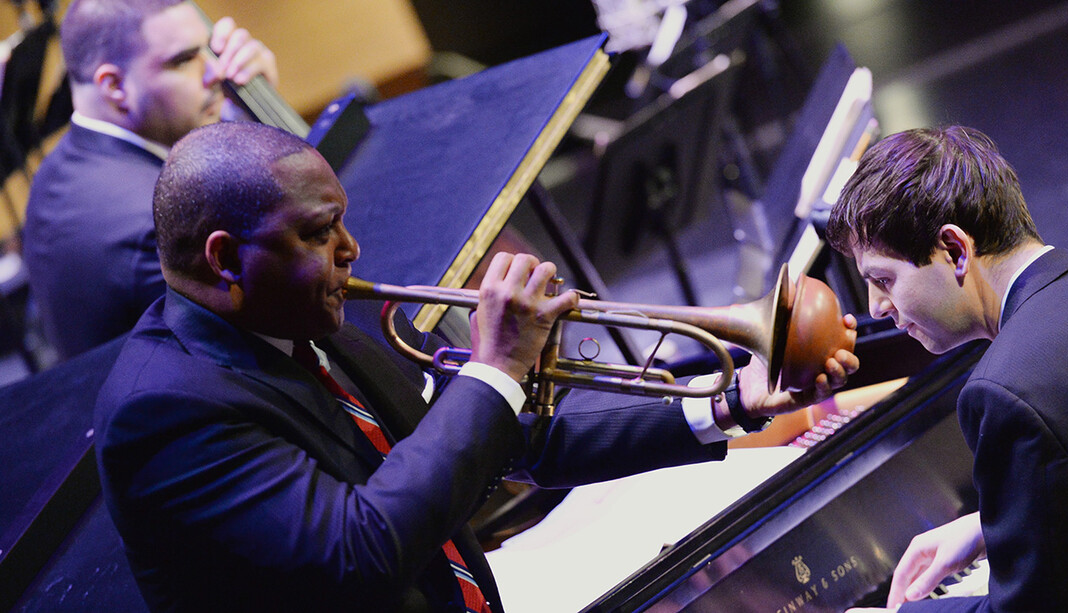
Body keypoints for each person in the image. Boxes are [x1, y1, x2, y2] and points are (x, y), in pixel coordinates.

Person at [94, 121, 859, 612]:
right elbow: (362, 553)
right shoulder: (164, 410)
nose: (352, 251)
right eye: (321, 232)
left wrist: (729, 404)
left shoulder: (299, 320)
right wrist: (495, 368)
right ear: (226, 258)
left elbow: (516, 445)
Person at [827, 126, 1068, 612]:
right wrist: (993, 525)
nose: (875, 307)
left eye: (883, 279)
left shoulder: (1007, 391)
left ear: (954, 249)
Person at [21, 0, 278, 360]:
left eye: (208, 49)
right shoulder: (160, 226)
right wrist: (271, 136)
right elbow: (275, 334)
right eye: (184, 59)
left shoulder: (61, 168)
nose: (216, 72)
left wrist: (249, 108)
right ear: (113, 86)